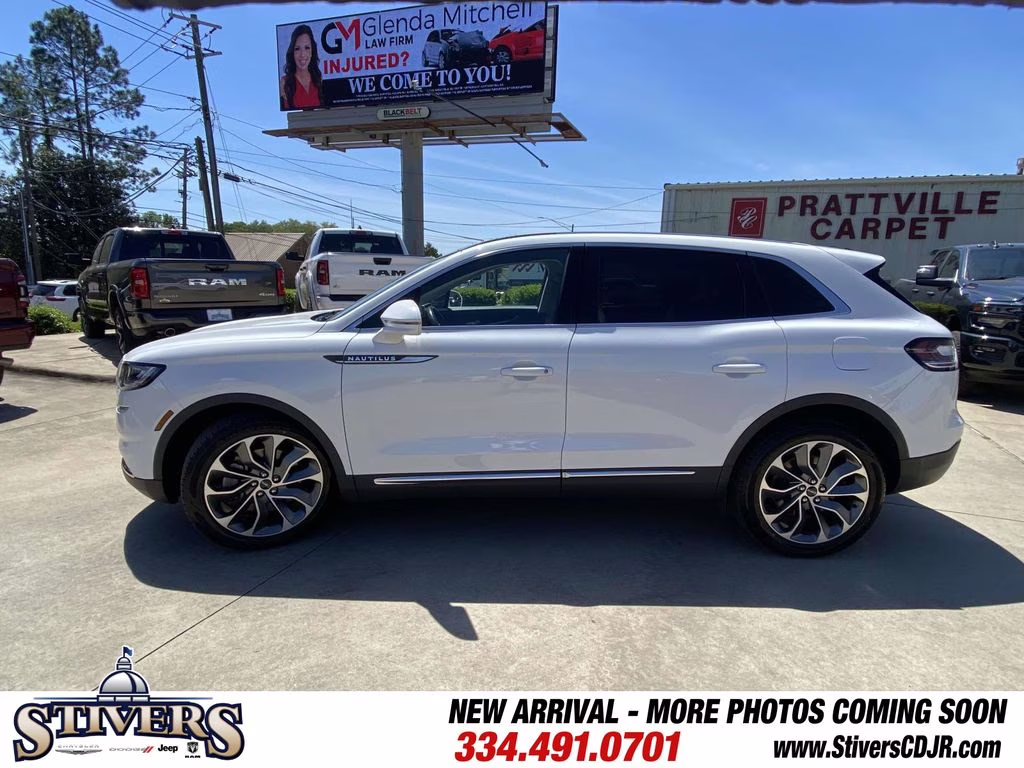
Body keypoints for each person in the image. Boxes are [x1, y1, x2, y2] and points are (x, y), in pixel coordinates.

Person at [280, 24, 322, 110]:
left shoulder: (318, 80)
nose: (302, 54)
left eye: (307, 48)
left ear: (312, 51)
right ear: (292, 52)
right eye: (297, 49)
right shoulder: (285, 83)